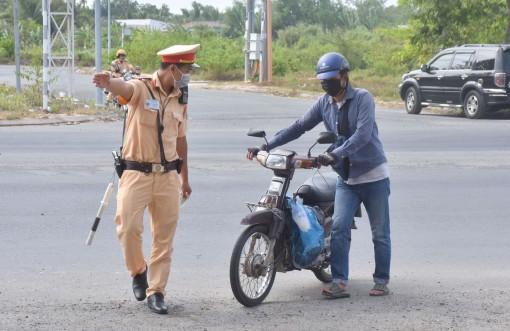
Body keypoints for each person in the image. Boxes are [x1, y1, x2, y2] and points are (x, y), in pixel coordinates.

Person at [246, 52, 391, 298]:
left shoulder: (363, 98)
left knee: (380, 233)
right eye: (322, 80)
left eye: (331, 78)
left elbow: (363, 135)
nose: (326, 84)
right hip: (347, 178)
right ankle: (340, 282)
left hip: (373, 175)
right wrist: (267, 146)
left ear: (344, 77)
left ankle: (381, 281)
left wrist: (336, 154)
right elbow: (299, 126)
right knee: (338, 229)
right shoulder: (324, 103)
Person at [92, 43, 200, 314]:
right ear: (173, 68)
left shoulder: (180, 97)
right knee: (127, 228)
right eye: (186, 70)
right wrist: (110, 83)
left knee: (164, 239)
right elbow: (124, 90)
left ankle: (157, 291)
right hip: (136, 173)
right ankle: (138, 271)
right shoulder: (142, 87)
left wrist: (184, 178)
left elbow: (182, 139)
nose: (188, 76)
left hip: (167, 178)